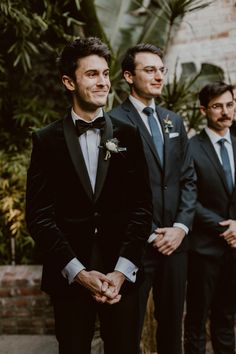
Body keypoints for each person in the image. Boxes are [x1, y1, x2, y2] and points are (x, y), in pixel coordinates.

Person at [25, 37, 152, 354]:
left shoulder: (129, 134)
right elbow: (39, 217)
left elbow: (142, 208)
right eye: (92, 74)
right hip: (69, 277)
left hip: (120, 276)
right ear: (69, 81)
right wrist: (78, 273)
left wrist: (121, 274)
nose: (103, 82)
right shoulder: (45, 141)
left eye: (106, 73)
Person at [108, 43, 196, 354]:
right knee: (126, 334)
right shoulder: (113, 122)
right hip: (135, 247)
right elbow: (112, 191)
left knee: (172, 330)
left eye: (161, 70)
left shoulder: (174, 121)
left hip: (175, 245)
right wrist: (145, 232)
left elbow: (188, 179)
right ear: (129, 76)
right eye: (150, 70)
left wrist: (180, 228)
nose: (159, 76)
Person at [184, 81, 236, 354]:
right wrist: (225, 227)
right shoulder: (191, 148)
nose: (225, 112)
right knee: (195, 322)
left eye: (229, 104)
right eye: (217, 106)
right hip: (203, 251)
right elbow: (189, 200)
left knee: (226, 321)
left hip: (234, 250)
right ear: (204, 109)